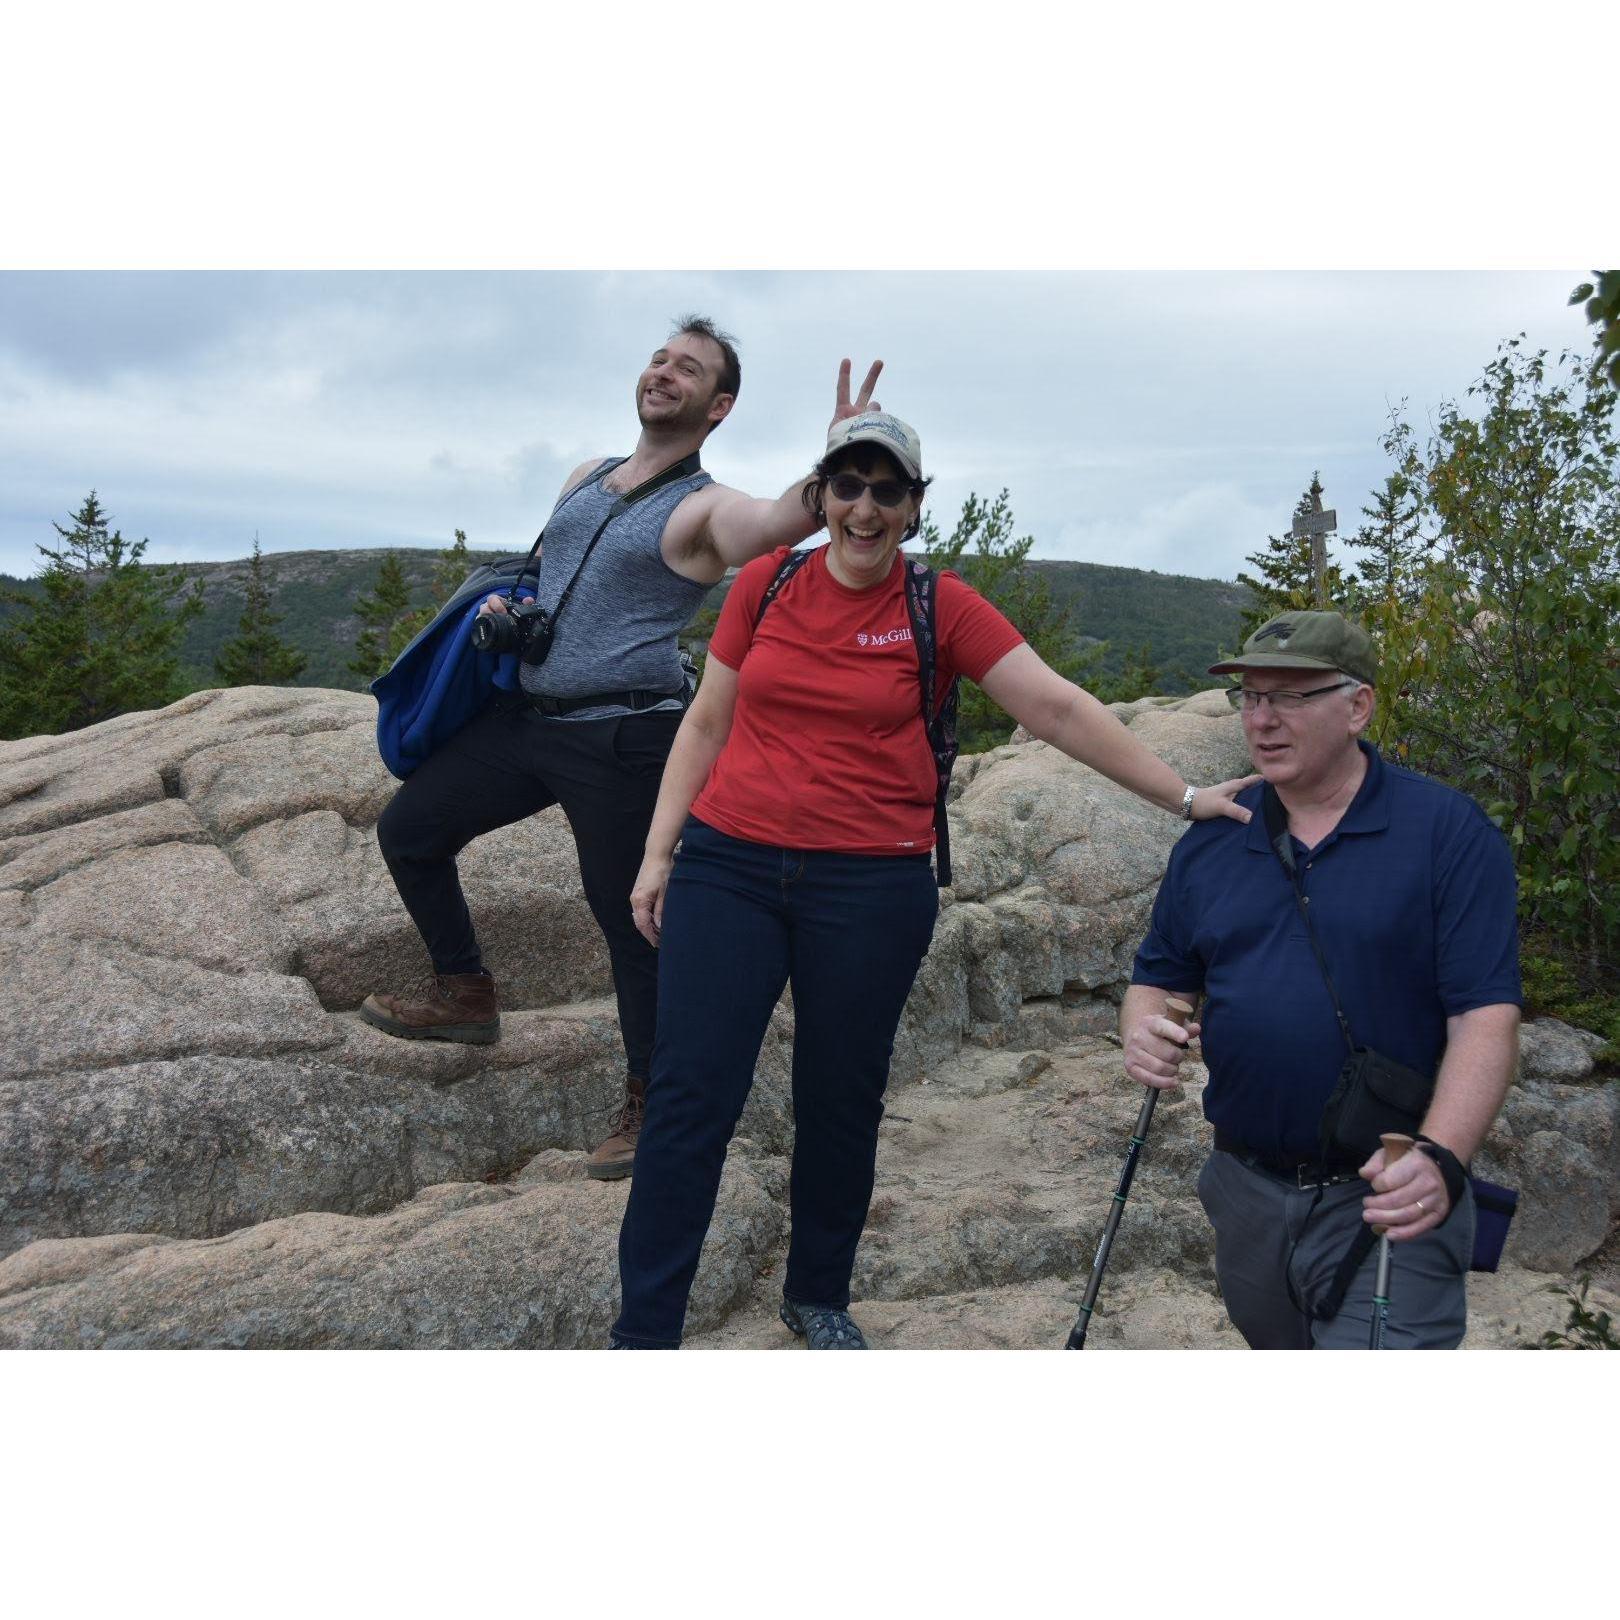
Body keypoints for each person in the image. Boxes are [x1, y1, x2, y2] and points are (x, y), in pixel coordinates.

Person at [609, 410, 1261, 1349]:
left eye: (887, 490)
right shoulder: (767, 581)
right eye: (848, 486)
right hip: (732, 865)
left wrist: (1186, 794)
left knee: (840, 1094)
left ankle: (817, 1293)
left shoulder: (939, 605)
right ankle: (647, 1327)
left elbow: (1057, 707)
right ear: (822, 496)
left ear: (914, 508)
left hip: (869, 887)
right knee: (688, 1096)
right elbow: (707, 722)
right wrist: (659, 851)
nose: (864, 508)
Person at [362, 316, 885, 1180]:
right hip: (530, 718)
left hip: (624, 735)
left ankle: (654, 1100)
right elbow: (550, 579)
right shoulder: (586, 477)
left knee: (634, 922)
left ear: (719, 407)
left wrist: (840, 458)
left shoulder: (703, 507)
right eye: (659, 359)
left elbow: (775, 522)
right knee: (410, 831)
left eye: (689, 370)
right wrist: (510, 616)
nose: (665, 373)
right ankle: (464, 991)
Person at [1123, 610, 1521, 1348]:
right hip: (1244, 1191)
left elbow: (1485, 1016)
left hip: (1389, 1190)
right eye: (1251, 698)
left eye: (1292, 697)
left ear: (1358, 706)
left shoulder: (1446, 833)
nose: (1264, 719)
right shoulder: (1213, 839)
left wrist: (1441, 1156)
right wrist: (1143, 1031)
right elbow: (1160, 976)